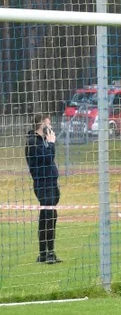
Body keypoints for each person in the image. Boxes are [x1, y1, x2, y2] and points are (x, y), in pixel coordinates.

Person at [25, 113, 61, 264]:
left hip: (51, 183)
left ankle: (48, 253)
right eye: (48, 123)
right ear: (41, 125)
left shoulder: (43, 140)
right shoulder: (33, 141)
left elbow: (49, 158)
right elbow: (46, 159)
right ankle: (45, 254)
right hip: (42, 184)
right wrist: (51, 143)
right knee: (46, 216)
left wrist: (49, 143)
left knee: (51, 216)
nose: (51, 126)